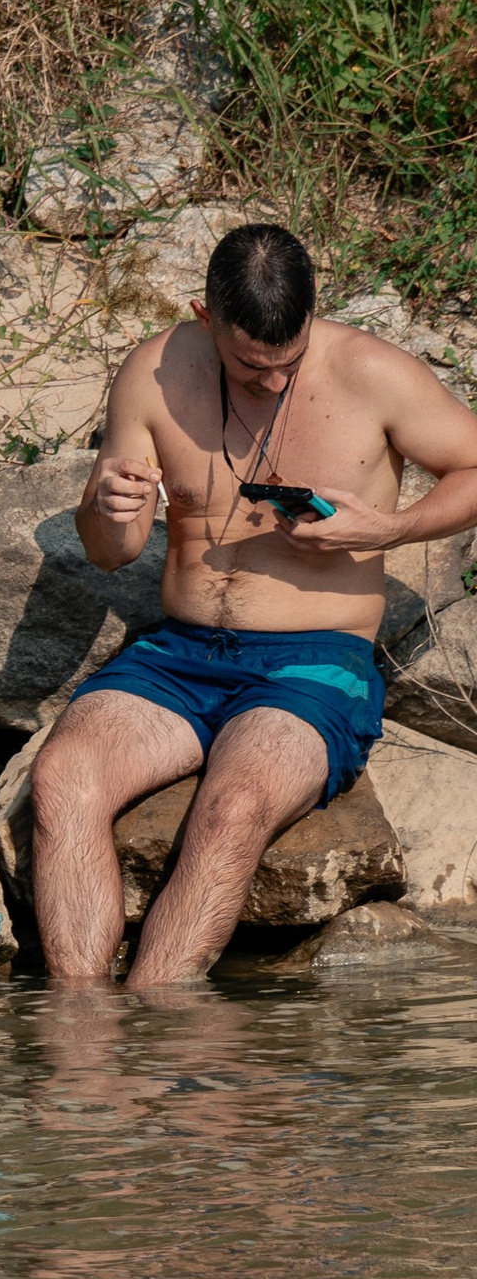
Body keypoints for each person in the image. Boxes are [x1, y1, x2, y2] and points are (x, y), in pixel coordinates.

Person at [28, 224, 477, 987]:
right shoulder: (156, 371)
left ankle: (160, 1018)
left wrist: (391, 526)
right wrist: (103, 507)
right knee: (62, 776)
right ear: (206, 318)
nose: (272, 384)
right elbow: (114, 552)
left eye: (288, 365)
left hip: (314, 663)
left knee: (232, 809)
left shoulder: (372, 372)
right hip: (178, 656)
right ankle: (84, 1050)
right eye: (250, 367)